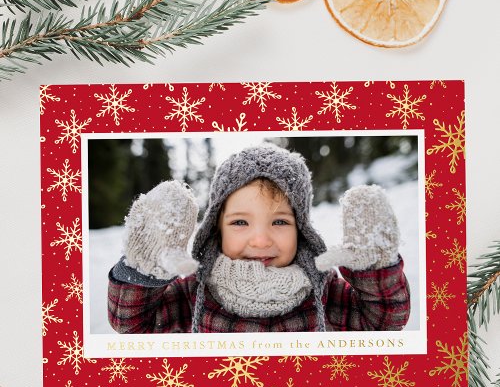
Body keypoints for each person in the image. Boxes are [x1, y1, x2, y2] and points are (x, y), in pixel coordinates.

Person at [108, 143, 410, 333]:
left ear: (302, 230)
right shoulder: (193, 291)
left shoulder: (324, 289)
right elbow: (130, 324)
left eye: (280, 221)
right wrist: (143, 268)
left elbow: (384, 323)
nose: (261, 240)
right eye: (240, 222)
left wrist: (375, 268)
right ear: (216, 229)